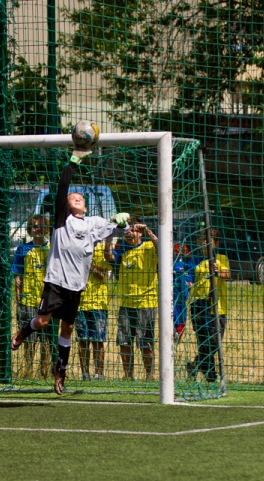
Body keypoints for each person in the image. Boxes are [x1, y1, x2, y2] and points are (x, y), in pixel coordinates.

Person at [10, 153, 130, 394]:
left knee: (68, 328)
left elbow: (119, 231)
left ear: (84, 206)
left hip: (77, 287)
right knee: (43, 322)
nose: (75, 198)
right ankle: (24, 332)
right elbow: (63, 186)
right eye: (71, 197)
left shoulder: (93, 224)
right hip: (55, 282)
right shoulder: (61, 221)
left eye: (79, 198)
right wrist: (73, 163)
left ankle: (61, 371)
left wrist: (121, 221)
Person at [111, 218, 159, 381]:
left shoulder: (148, 247)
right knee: (124, 342)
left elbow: (163, 249)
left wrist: (148, 231)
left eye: (134, 230)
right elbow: (109, 256)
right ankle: (128, 375)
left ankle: (150, 375)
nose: (130, 233)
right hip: (126, 304)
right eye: (128, 230)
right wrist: (112, 233)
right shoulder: (121, 250)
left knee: (145, 342)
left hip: (146, 303)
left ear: (140, 232)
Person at [10, 215, 53, 379]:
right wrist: (19, 297)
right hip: (28, 300)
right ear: (29, 230)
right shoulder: (23, 249)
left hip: (47, 301)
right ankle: (27, 371)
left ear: (47, 230)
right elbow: (18, 275)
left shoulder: (51, 248)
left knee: (47, 341)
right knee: (29, 339)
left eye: (42, 227)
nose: (38, 229)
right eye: (34, 226)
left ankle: (44, 372)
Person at [186, 229, 231, 383]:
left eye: (208, 240)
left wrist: (218, 272)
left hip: (217, 308)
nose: (204, 243)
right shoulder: (195, 260)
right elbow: (189, 277)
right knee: (203, 341)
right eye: (201, 239)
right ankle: (210, 376)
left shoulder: (221, 258)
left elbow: (227, 274)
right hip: (199, 305)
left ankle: (195, 365)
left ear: (215, 243)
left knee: (214, 342)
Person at [75, 239, 113, 381]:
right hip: (79, 303)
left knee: (98, 340)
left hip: (98, 304)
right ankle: (85, 374)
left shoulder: (102, 250)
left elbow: (103, 274)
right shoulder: (75, 250)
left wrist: (87, 264)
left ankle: (99, 373)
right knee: (83, 339)